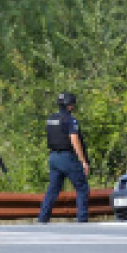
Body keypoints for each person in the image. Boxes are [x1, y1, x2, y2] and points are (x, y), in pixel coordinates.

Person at [38, 92, 91, 223]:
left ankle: (43, 218)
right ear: (70, 105)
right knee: (82, 188)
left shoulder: (51, 119)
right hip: (67, 157)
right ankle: (82, 220)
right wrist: (83, 160)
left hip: (53, 157)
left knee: (53, 189)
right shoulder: (69, 120)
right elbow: (74, 139)